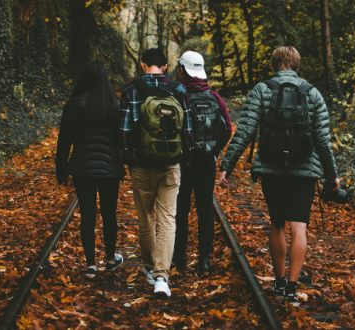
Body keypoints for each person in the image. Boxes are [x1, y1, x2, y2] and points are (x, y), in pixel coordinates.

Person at [217, 46, 339, 304]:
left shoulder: (262, 90)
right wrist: (332, 176)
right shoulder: (312, 93)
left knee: (277, 224)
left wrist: (227, 164)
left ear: (273, 67)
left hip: (271, 168)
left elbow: (246, 130)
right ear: (297, 67)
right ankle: (292, 288)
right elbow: (323, 140)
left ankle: (280, 281)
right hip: (305, 170)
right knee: (299, 226)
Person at [119, 48, 194, 298]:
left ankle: (150, 270)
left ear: (142, 64)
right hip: (171, 164)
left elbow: (124, 131)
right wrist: (183, 158)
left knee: (146, 220)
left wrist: (131, 159)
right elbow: (188, 131)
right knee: (168, 220)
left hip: (142, 164)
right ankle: (163, 278)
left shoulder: (131, 89)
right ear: (165, 67)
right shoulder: (179, 89)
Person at [55, 61, 126, 279]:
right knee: (109, 214)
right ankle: (111, 259)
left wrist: (61, 171)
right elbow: (121, 139)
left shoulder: (73, 105)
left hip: (82, 169)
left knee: (87, 215)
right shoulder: (115, 105)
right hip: (109, 169)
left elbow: (64, 140)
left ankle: (91, 265)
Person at [171, 51, 232, 275]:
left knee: (181, 209)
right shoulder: (214, 97)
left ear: (182, 70)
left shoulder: (177, 96)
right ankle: (204, 259)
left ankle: (180, 257)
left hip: (182, 162)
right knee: (205, 209)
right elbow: (227, 129)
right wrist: (214, 150)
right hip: (206, 161)